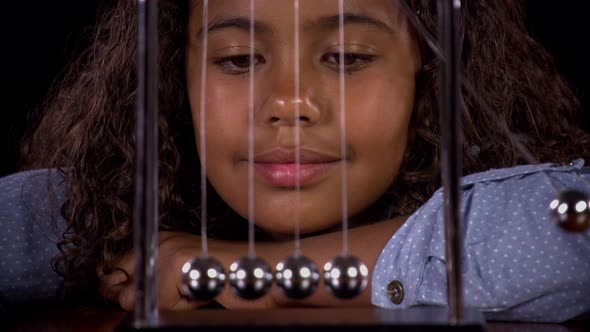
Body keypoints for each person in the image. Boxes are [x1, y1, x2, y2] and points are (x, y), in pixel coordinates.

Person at [1, 0, 589, 322]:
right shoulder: (93, 214)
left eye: (346, 55)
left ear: (431, 72)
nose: (287, 101)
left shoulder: (512, 196)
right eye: (235, 59)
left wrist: (256, 274)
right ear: (173, 78)